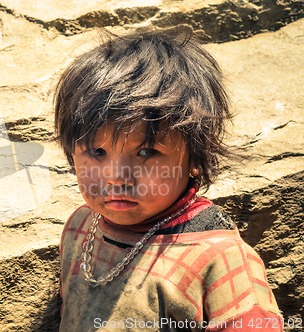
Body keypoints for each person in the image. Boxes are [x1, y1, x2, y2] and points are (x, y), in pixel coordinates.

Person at [54, 25, 282, 331]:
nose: (116, 178)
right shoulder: (81, 226)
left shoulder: (218, 258)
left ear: (198, 154)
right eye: (96, 151)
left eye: (147, 152)